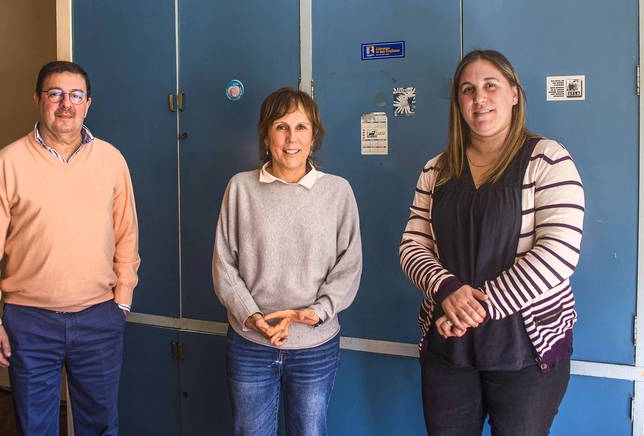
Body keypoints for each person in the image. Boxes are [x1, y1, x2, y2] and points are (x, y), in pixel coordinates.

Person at [399, 50, 584, 435]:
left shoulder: (548, 160)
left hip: (525, 352)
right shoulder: (437, 169)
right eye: (467, 90)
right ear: (458, 103)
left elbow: (558, 254)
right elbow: (412, 246)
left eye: (490, 86)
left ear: (514, 94)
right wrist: (446, 288)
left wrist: (475, 308)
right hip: (449, 348)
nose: (478, 98)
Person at [0, 61, 140, 435]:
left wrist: (122, 298)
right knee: (35, 427)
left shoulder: (111, 160)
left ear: (88, 103)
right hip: (29, 324)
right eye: (55, 94)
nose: (66, 104)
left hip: (99, 317)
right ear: (38, 100)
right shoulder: (6, 164)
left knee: (101, 425)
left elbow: (127, 234)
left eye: (76, 95)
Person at [212, 87, 362, 436]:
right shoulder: (240, 188)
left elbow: (349, 265)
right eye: (281, 126)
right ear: (266, 135)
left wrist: (316, 312)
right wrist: (253, 317)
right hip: (251, 343)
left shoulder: (338, 191)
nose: (291, 138)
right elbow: (224, 264)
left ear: (314, 136)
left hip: (315, 345)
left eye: (301, 127)